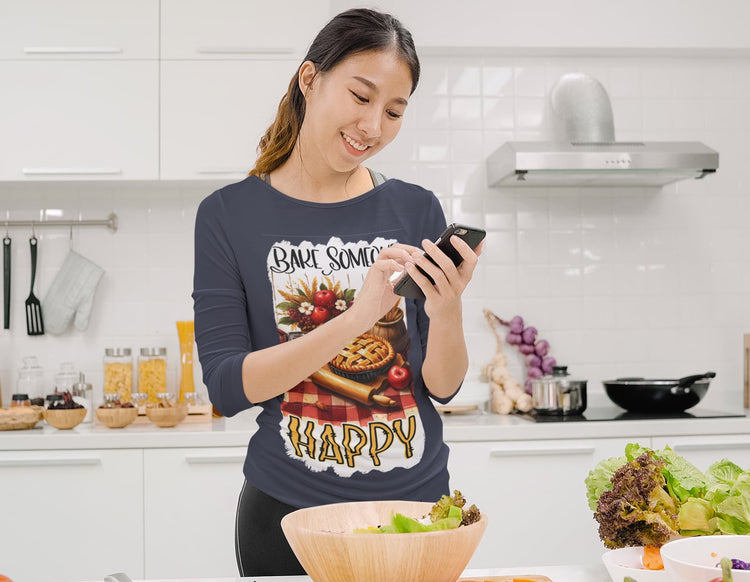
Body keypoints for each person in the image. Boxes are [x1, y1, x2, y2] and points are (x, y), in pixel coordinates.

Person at [192, 8, 483, 577]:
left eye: (394, 110)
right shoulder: (228, 215)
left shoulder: (415, 207)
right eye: (360, 96)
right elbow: (228, 388)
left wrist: (447, 311)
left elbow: (442, 388)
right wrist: (358, 317)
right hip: (288, 519)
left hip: (418, 511)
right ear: (309, 79)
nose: (374, 126)